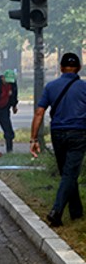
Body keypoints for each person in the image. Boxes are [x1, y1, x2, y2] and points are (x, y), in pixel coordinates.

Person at [30, 52, 86, 227]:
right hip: (79, 134)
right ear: (79, 68)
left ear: (61, 68)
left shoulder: (51, 87)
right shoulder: (84, 87)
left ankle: (76, 211)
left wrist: (33, 139)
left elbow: (39, 113)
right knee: (70, 173)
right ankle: (57, 211)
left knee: (67, 173)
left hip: (58, 134)